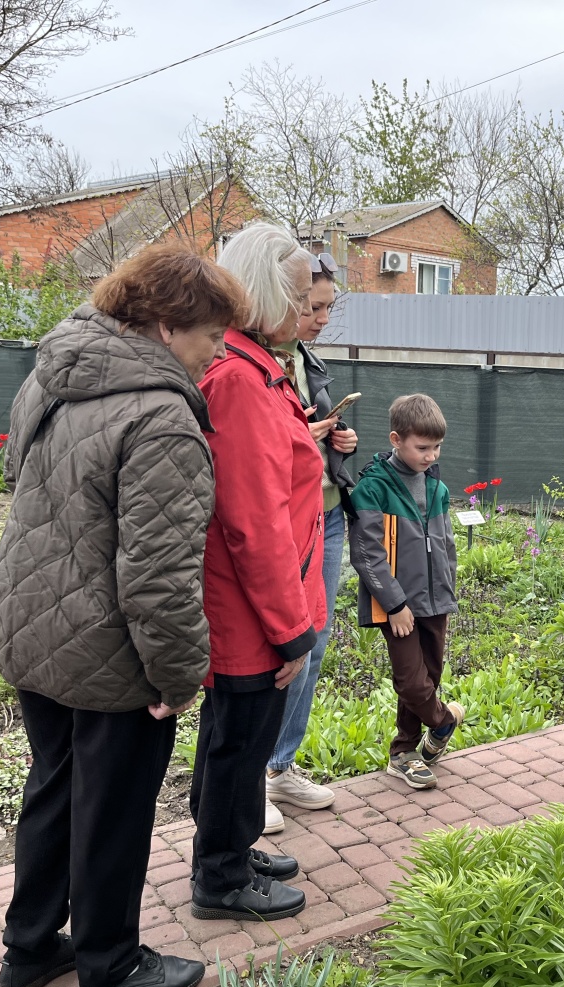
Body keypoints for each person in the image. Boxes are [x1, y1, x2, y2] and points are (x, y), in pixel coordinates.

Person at [0, 244, 248, 987]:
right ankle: (108, 963)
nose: (215, 353)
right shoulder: (162, 417)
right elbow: (158, 574)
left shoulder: (52, 376)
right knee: (114, 810)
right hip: (109, 651)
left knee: (54, 787)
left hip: (32, 623)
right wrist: (175, 677)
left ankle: (28, 949)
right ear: (167, 328)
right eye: (209, 337)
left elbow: (21, 485)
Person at [189, 221, 326, 921]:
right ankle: (219, 878)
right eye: (300, 296)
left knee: (233, 735)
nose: (309, 311)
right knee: (239, 742)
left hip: (256, 601)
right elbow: (254, 521)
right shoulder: (241, 381)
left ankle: (231, 848)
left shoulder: (256, 369)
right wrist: (290, 628)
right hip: (251, 609)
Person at [262, 252, 358, 830]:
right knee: (280, 649)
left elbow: (305, 448)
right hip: (286, 526)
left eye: (327, 308)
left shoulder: (308, 363)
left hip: (326, 517)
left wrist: (337, 444)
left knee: (314, 643)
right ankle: (251, 777)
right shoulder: (248, 365)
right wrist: (303, 434)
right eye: (313, 307)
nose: (322, 318)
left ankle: (279, 767)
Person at [347, 394, 463, 790]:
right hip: (397, 605)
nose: (431, 456)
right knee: (411, 682)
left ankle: (406, 752)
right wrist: (394, 603)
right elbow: (367, 553)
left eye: (437, 447)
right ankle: (444, 720)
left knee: (429, 676)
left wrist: (447, 591)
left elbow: (446, 546)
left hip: (436, 601)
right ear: (396, 439)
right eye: (422, 447)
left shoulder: (438, 488)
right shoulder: (372, 488)